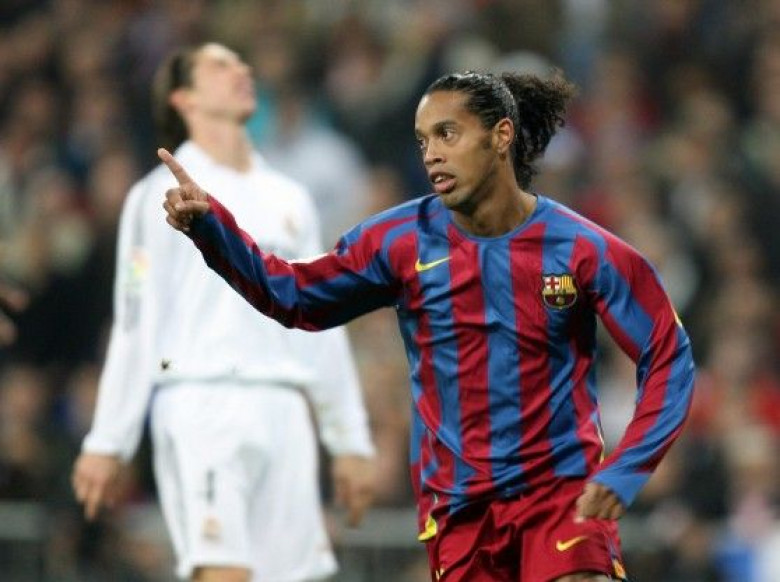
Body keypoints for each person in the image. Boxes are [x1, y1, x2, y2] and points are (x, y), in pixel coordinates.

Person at [160, 69, 696, 582]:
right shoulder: (398, 241)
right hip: (460, 515)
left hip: (560, 497)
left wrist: (627, 466)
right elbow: (294, 296)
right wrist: (211, 227)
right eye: (423, 140)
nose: (432, 153)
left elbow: (667, 354)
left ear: (501, 136)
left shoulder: (581, 248)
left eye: (447, 133)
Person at [71, 43, 376, 582]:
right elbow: (136, 321)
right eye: (220, 65)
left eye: (242, 63)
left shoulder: (290, 197)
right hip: (202, 402)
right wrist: (108, 440)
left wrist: (348, 438)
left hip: (285, 407)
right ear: (182, 97)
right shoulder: (153, 197)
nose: (242, 70)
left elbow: (321, 318)